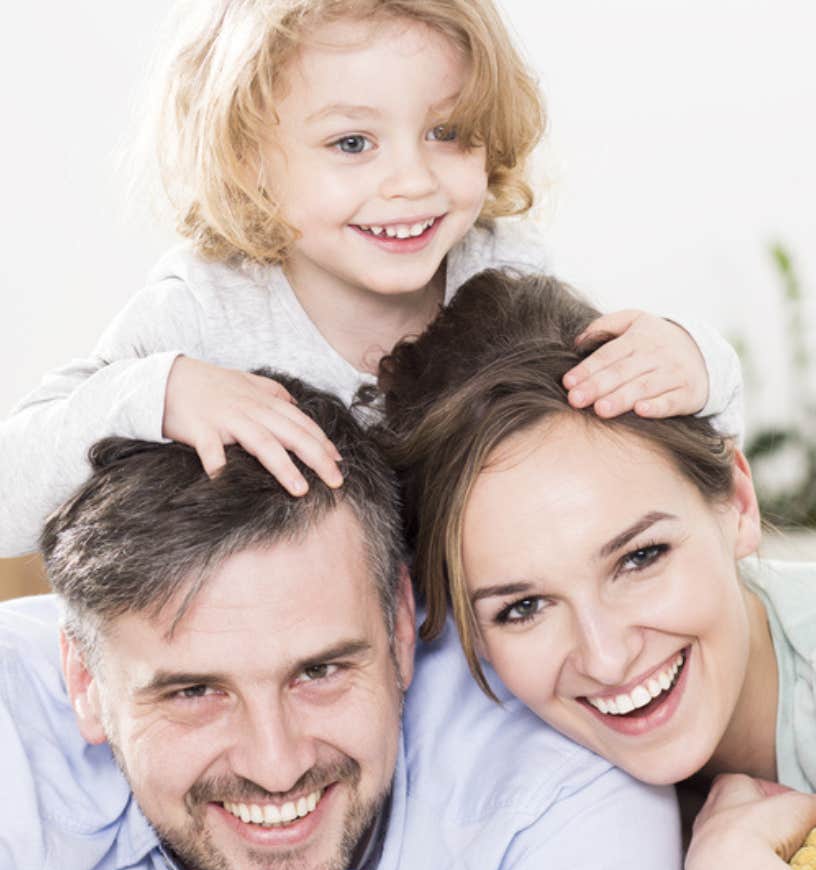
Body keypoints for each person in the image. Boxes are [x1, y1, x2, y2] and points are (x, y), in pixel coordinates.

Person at [0, 373, 719, 870]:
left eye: (320, 671)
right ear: (86, 683)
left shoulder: (557, 770)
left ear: (403, 629)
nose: (274, 765)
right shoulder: (11, 718)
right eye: (194, 693)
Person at [0, 0, 742, 558]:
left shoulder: (503, 270)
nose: (411, 181)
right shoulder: (205, 310)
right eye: (352, 142)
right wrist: (158, 394)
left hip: (474, 662)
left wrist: (692, 360)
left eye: (446, 132)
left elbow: (663, 461)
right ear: (245, 158)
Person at [375, 268, 816, 870]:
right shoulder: (515, 801)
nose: (605, 655)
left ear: (739, 503)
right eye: (523, 608)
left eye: (640, 557)